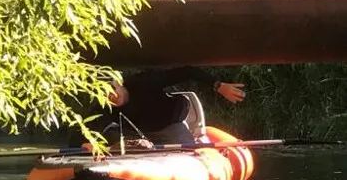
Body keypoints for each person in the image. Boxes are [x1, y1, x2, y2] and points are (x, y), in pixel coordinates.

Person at [92, 66, 246, 146]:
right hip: (138, 135)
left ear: (119, 82)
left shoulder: (145, 81)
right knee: (109, 135)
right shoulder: (104, 107)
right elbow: (87, 126)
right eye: (104, 95)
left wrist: (218, 86)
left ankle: (196, 145)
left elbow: (188, 71)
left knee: (188, 149)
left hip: (170, 127)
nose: (111, 96)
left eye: (112, 89)